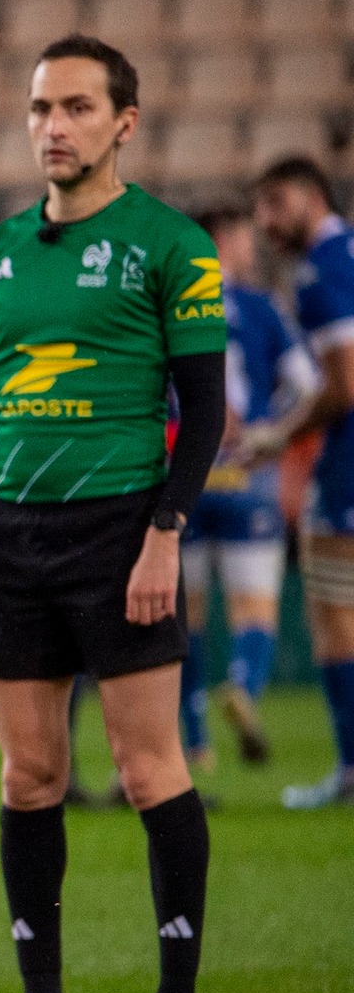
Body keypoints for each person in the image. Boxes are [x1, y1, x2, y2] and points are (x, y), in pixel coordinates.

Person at [0, 36, 227, 993]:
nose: (53, 126)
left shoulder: (169, 244)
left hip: (120, 530)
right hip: (16, 539)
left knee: (147, 770)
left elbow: (207, 405)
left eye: (77, 108)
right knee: (27, 775)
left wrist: (163, 533)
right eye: (41, 107)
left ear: (122, 123)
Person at [179, 205, 318, 769]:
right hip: (248, 472)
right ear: (222, 241)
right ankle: (242, 686)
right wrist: (271, 431)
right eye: (239, 237)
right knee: (254, 610)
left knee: (181, 621)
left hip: (184, 476)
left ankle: (194, 741)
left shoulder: (171, 308)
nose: (247, 247)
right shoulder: (260, 308)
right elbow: (306, 383)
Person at [245, 157, 354, 809]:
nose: (266, 220)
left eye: (275, 202)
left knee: (335, 620)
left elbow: (343, 386)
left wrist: (278, 435)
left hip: (348, 463)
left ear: (313, 196)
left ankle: (350, 771)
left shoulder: (321, 269)